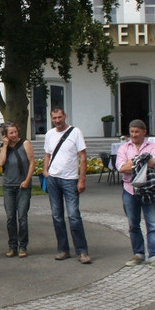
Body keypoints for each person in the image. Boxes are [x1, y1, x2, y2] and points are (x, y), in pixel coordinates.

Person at [116, 119, 155, 270]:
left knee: (153, 225)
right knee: (133, 225)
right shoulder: (124, 148)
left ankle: (154, 256)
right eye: (132, 132)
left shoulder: (153, 146)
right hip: (130, 190)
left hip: (148, 190)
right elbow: (121, 168)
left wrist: (133, 163)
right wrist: (142, 161)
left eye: (137, 132)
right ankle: (138, 254)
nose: (134, 135)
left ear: (144, 132)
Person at [42, 107, 90, 264]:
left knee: (73, 215)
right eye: (54, 118)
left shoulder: (75, 132)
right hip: (53, 179)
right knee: (57, 216)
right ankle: (63, 249)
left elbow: (83, 157)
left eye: (59, 117)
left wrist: (82, 179)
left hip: (70, 180)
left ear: (65, 116)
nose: (57, 120)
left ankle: (82, 251)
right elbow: (47, 154)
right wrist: (45, 171)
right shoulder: (49, 134)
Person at [0, 122, 33, 258]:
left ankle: (23, 246)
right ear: (5, 135)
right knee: (10, 218)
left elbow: (32, 162)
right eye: (10, 133)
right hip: (8, 187)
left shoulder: (25, 143)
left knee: (22, 217)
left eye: (15, 132)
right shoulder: (3, 147)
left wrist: (27, 180)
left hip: (22, 186)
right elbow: (0, 162)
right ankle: (12, 246)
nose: (14, 135)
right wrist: (5, 146)